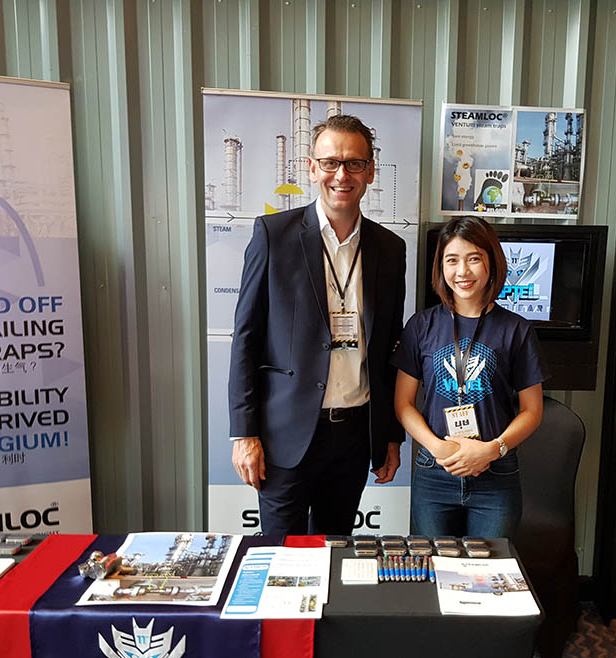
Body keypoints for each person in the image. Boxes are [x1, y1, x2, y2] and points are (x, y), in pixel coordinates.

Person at [229, 115, 406, 535]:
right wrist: (244, 434)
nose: (342, 175)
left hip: (354, 438)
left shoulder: (390, 248)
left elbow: (389, 349)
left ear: (370, 171)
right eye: (330, 162)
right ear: (312, 168)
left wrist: (390, 436)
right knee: (281, 558)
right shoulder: (274, 235)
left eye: (354, 163)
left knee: (335, 552)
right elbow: (246, 339)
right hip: (285, 437)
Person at [392, 217, 545, 538]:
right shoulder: (421, 326)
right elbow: (403, 403)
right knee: (436, 563)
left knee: (489, 566)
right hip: (435, 473)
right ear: (441, 267)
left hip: (496, 474)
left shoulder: (517, 329)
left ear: (492, 263)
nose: (462, 271)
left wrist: (492, 449)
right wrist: (437, 447)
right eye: (452, 260)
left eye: (474, 258)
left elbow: (532, 410)